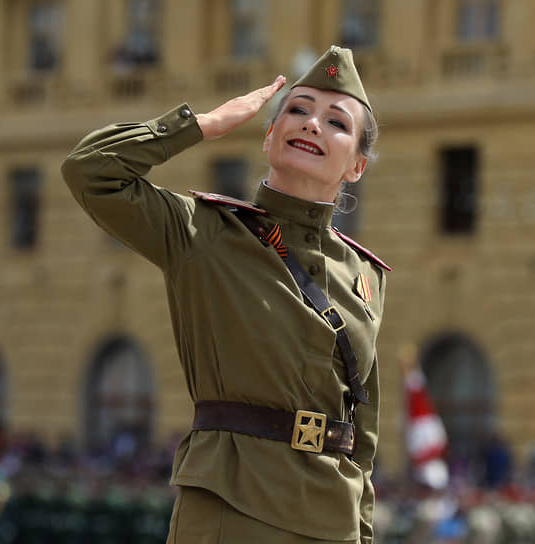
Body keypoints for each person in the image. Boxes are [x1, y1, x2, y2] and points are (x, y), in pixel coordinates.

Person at [62, 46, 390, 543]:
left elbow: (360, 426)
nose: (312, 125)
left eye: (336, 122)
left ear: (357, 168)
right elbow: (90, 171)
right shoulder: (203, 232)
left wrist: (363, 532)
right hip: (231, 507)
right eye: (296, 110)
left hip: (332, 519)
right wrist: (204, 124)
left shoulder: (364, 274)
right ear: (269, 135)